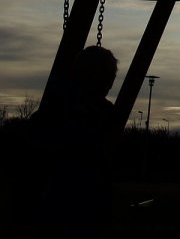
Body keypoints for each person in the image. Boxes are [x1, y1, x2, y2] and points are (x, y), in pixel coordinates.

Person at [30, 45, 119, 238]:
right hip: (66, 211)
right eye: (107, 78)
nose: (109, 84)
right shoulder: (99, 115)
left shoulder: (52, 110)